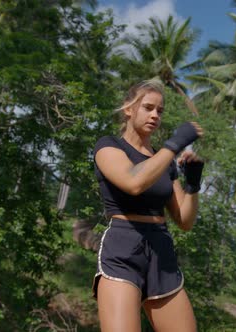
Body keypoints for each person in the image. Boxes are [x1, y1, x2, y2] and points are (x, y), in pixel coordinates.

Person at [92, 79, 204, 332]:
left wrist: (193, 184)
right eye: (148, 107)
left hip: (161, 249)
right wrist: (174, 145)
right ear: (129, 109)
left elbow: (184, 221)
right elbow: (133, 182)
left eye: (160, 111)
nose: (155, 115)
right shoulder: (109, 146)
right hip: (123, 248)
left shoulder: (163, 161)